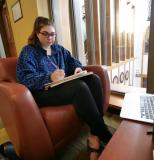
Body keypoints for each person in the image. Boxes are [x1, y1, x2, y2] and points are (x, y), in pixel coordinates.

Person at [16, 16, 112, 159]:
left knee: (94, 79)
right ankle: (104, 133)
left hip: (62, 87)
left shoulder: (58, 49)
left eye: (53, 34)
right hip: (42, 92)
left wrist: (78, 69)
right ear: (37, 33)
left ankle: (94, 136)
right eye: (45, 33)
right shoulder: (28, 52)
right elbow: (24, 79)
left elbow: (73, 62)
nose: (50, 38)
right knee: (79, 87)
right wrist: (49, 77)